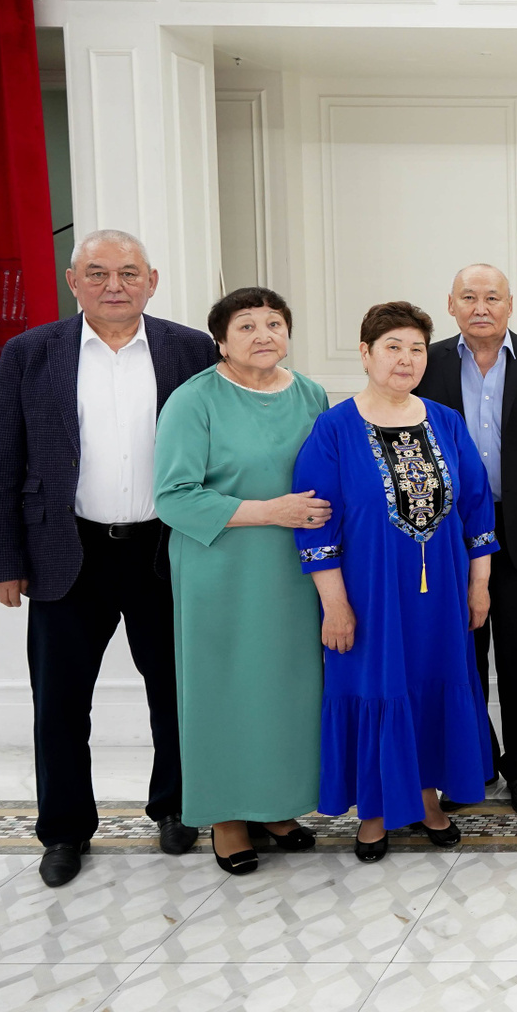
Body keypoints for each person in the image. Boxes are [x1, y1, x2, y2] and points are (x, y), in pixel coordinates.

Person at [0, 229, 215, 887]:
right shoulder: (31, 353)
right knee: (59, 703)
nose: (115, 285)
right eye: (99, 272)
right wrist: (2, 559)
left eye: (129, 273)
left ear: (152, 281)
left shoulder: (191, 349)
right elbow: (2, 461)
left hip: (165, 552)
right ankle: (63, 830)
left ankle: (176, 807)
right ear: (73, 280)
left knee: (176, 692)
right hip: (65, 552)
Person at [292, 302, 497, 859]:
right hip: (369, 594)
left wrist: (479, 584)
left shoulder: (445, 421)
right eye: (393, 347)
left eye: (416, 349)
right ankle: (376, 809)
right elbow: (316, 524)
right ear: (365, 354)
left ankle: (428, 798)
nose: (406, 359)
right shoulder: (334, 428)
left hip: (443, 593)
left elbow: (477, 507)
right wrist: (335, 605)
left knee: (434, 683)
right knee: (377, 687)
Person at [154, 287, 331, 875]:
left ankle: (277, 806)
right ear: (222, 341)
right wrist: (270, 511)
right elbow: (173, 496)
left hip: (294, 569)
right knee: (225, 690)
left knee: (286, 688)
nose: (263, 335)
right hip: (222, 568)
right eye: (247, 326)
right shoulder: (194, 399)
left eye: (274, 323)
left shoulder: (309, 394)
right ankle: (226, 816)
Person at [416, 264, 517, 815]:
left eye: (492, 297)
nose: (480, 307)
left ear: (510, 304)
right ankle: (475, 761)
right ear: (451, 304)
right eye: (469, 297)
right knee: (462, 653)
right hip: (449, 534)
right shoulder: (427, 361)